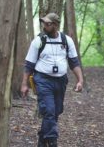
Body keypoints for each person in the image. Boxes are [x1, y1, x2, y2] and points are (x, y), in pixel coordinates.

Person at [21, 13, 83, 147]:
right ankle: (52, 141)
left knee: (56, 112)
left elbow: (74, 62)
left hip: (61, 81)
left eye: (48, 24)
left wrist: (80, 80)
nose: (45, 26)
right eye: (43, 23)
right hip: (42, 80)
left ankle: (42, 141)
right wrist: (24, 84)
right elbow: (29, 64)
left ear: (55, 25)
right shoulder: (38, 41)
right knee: (48, 110)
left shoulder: (66, 40)